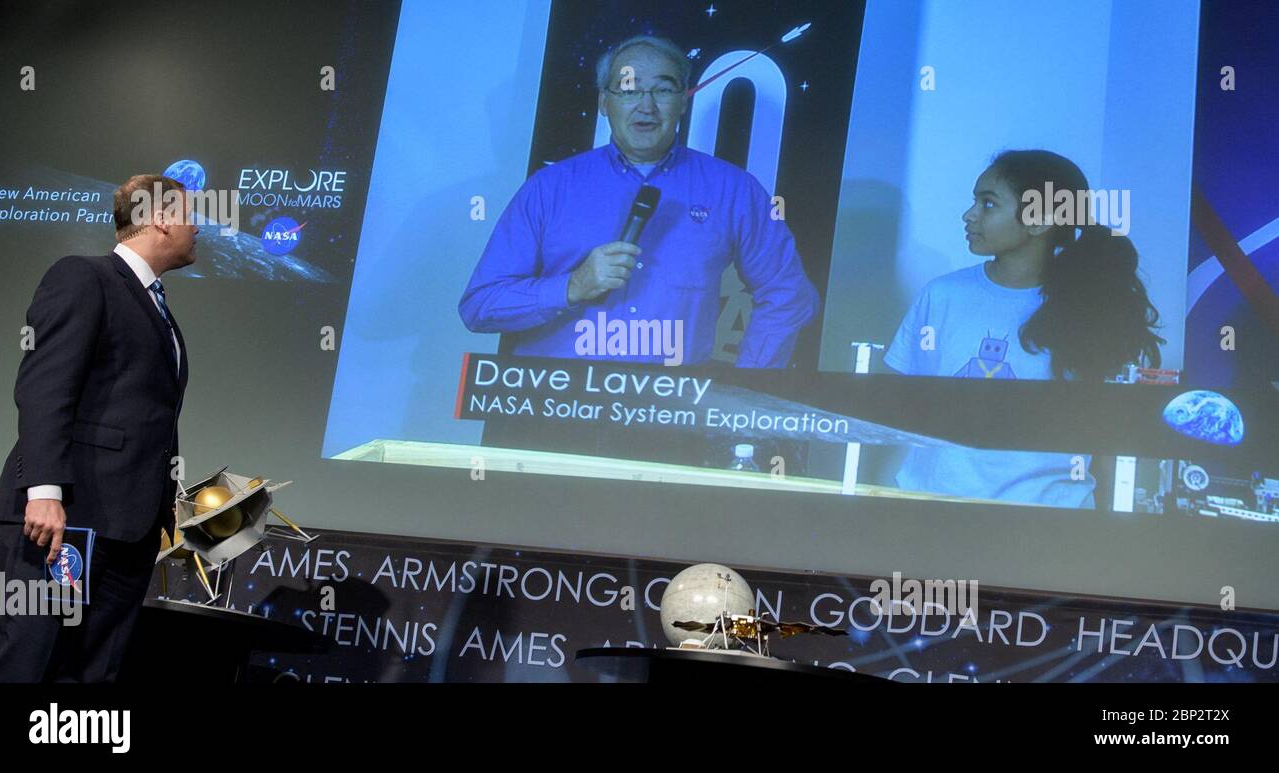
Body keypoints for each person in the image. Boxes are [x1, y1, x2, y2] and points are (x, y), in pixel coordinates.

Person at [459, 34, 819, 368]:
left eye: (663, 90)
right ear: (604, 102)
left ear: (683, 101)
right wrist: (572, 287)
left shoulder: (734, 190)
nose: (646, 106)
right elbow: (480, 306)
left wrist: (742, 387)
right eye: (629, 90)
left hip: (668, 416)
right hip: (557, 405)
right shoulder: (548, 188)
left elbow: (789, 295)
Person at [0, 174, 196, 681]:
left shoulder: (158, 307)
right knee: (28, 665)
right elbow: (44, 387)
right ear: (160, 219)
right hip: (65, 521)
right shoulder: (83, 277)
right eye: (192, 216)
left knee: (93, 674)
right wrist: (45, 490)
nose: (199, 229)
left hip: (127, 528)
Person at [882, 150, 1164, 508]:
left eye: (988, 204)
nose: (968, 215)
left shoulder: (1089, 310)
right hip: (931, 510)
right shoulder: (941, 295)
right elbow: (902, 400)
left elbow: (1105, 434)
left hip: (1046, 528)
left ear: (1040, 220)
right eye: (975, 201)